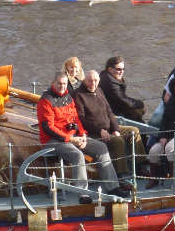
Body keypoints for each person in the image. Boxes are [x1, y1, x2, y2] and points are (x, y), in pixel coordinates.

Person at [36, 71, 128, 202]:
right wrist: (70, 139)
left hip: (73, 137)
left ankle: (113, 187)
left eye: (65, 84)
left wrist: (83, 134)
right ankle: (83, 193)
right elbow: (48, 128)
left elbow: (76, 119)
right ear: (53, 83)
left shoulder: (68, 96)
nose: (62, 86)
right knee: (78, 155)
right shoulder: (46, 101)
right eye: (59, 84)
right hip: (53, 140)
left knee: (101, 148)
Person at [73, 70, 144, 176]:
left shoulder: (99, 90)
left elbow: (109, 111)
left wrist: (115, 129)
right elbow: (82, 119)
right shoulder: (78, 95)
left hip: (108, 127)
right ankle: (120, 175)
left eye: (96, 80)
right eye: (90, 81)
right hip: (94, 132)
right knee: (118, 141)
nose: (93, 83)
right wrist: (100, 130)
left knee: (134, 131)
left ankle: (140, 165)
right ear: (84, 81)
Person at [98, 56, 147, 122]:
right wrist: (141, 104)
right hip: (111, 113)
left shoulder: (107, 76)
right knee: (139, 110)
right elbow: (122, 99)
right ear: (110, 69)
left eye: (123, 69)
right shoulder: (110, 83)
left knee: (137, 112)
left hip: (114, 107)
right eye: (118, 69)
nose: (122, 71)